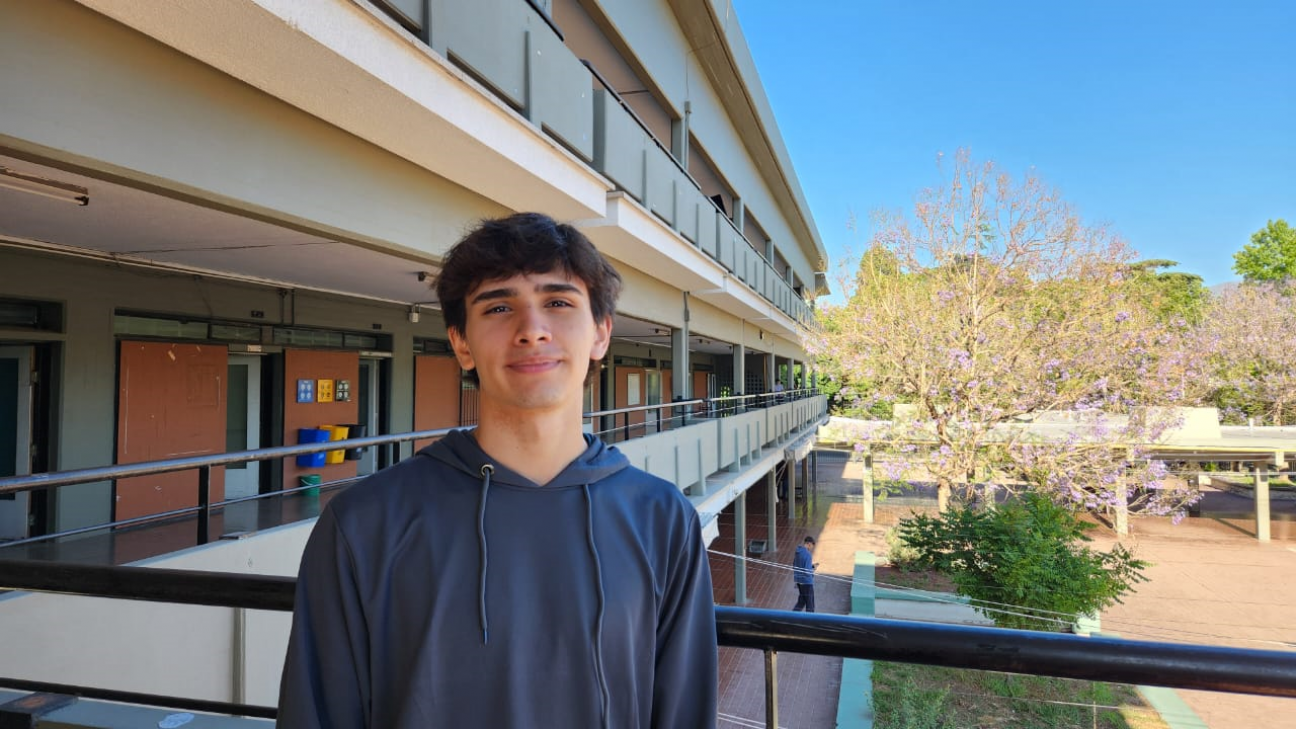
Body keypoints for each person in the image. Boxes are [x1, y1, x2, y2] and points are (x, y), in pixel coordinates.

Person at [278, 212, 718, 728]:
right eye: (499, 306)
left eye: (557, 302)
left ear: (601, 334)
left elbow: (684, 713)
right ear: (461, 343)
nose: (531, 330)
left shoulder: (664, 519)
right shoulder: (364, 522)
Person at [792, 535, 818, 612]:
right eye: (811, 547)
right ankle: (810, 621)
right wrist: (813, 568)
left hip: (799, 581)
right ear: (809, 544)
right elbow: (807, 572)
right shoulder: (807, 555)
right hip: (807, 582)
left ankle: (792, 617)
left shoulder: (798, 552)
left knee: (801, 602)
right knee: (810, 604)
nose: (811, 549)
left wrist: (811, 566)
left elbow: (794, 564)